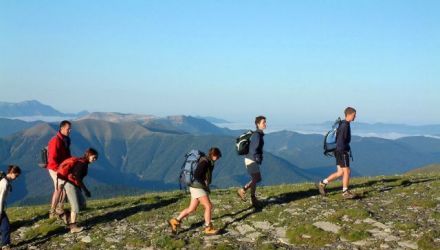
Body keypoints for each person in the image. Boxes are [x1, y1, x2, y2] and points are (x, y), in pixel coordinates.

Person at [169, 147, 222, 235]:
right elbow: (197, 174)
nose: (218, 158)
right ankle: (208, 227)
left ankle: (175, 221)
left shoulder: (207, 160)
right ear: (213, 155)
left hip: (194, 187)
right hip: (198, 187)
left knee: (191, 209)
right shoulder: (205, 162)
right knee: (208, 206)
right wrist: (204, 183)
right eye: (218, 156)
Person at [317, 107, 357, 199]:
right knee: (347, 171)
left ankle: (322, 183)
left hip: (337, 151)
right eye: (354, 115)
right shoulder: (345, 126)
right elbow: (341, 141)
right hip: (342, 151)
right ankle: (345, 192)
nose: (355, 117)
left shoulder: (343, 124)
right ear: (349, 114)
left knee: (340, 173)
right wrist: (344, 151)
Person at [56, 148, 98, 233]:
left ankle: (66, 215)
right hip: (70, 185)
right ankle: (73, 227)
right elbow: (77, 178)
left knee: (82, 204)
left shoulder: (83, 162)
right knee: (76, 207)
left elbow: (77, 178)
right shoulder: (82, 164)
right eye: (93, 157)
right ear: (88, 155)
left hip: (74, 185)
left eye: (96, 158)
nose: (95, 159)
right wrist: (85, 190)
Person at [237, 116, 266, 207]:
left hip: (250, 159)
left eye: (265, 122)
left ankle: (253, 199)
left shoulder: (258, 134)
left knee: (256, 179)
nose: (265, 124)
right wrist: (257, 158)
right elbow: (253, 149)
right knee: (257, 179)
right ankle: (243, 190)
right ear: (258, 124)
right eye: (263, 122)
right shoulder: (257, 135)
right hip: (251, 160)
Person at [47, 120, 72, 218]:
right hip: (55, 168)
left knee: (63, 188)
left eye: (70, 129)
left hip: (62, 168)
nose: (69, 131)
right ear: (61, 128)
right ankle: (52, 211)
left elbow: (67, 154)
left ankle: (59, 208)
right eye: (68, 129)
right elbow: (52, 158)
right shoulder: (56, 141)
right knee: (59, 189)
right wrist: (58, 170)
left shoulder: (65, 139)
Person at [0, 165, 21, 250]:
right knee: (6, 226)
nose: (16, 178)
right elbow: (0, 198)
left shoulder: (4, 180)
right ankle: (5, 245)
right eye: (16, 175)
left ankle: (5, 244)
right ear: (11, 173)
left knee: (5, 226)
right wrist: (0, 212)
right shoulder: (5, 183)